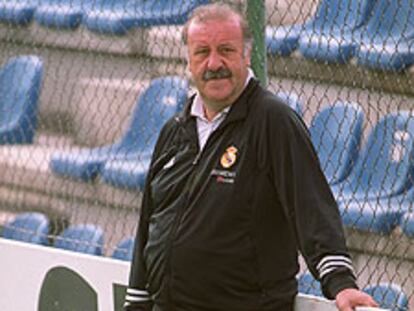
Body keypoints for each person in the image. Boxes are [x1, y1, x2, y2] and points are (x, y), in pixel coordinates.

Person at [124, 3, 378, 311]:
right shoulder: (175, 129)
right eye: (202, 52)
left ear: (247, 55)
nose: (213, 63)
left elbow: (311, 206)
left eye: (226, 50)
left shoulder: (274, 121)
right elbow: (150, 221)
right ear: (189, 62)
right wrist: (137, 300)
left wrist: (340, 282)